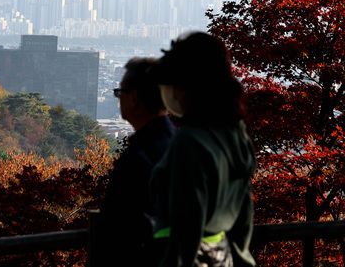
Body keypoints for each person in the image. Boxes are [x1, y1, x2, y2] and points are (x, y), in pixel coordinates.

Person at [149, 32, 256, 267]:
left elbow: (187, 226)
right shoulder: (236, 134)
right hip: (224, 256)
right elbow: (244, 216)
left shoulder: (188, 142)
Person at [95, 57, 175, 266]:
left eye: (120, 93)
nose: (119, 99)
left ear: (134, 98)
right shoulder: (179, 145)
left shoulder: (139, 155)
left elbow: (118, 227)